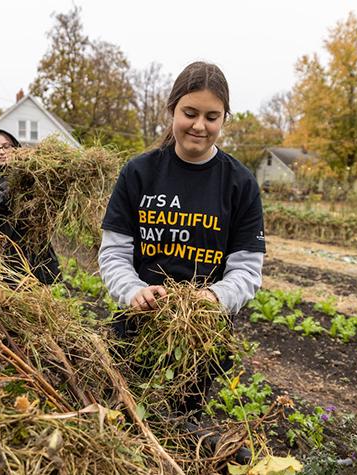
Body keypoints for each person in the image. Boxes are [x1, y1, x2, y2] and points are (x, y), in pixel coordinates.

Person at [98, 61, 266, 411]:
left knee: (180, 425)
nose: (199, 126)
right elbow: (114, 253)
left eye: (211, 116)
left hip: (199, 338)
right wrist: (133, 292)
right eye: (189, 113)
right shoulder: (139, 173)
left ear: (224, 119)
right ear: (172, 109)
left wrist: (215, 298)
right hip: (137, 328)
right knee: (127, 418)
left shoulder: (239, 183)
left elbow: (247, 269)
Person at [0, 129, 61, 284]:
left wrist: (0, 194)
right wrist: (12, 193)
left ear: (15, 148)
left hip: (33, 248)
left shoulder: (32, 178)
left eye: (6, 146)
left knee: (37, 296)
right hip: (3, 249)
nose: (1, 151)